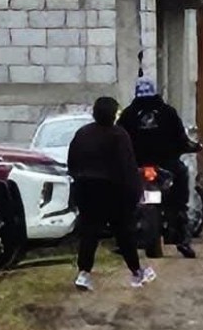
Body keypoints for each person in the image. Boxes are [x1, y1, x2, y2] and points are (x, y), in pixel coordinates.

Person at [67, 97, 156, 291]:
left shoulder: (83, 133)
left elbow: (71, 162)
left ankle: (83, 274)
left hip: (86, 190)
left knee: (90, 232)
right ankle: (136, 272)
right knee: (124, 232)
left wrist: (79, 183)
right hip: (114, 191)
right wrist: (135, 193)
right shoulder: (118, 135)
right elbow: (127, 167)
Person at [118, 77, 197, 259]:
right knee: (179, 201)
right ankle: (182, 239)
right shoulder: (167, 112)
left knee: (124, 203)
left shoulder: (129, 114)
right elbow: (181, 138)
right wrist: (189, 146)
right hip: (166, 165)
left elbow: (119, 138)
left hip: (137, 167)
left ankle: (123, 238)